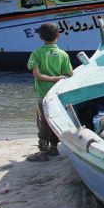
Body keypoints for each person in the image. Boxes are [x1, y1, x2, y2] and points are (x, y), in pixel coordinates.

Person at [26, 23, 73, 162]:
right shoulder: (63, 54)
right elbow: (70, 74)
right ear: (58, 36)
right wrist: (59, 78)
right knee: (54, 121)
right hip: (56, 97)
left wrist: (51, 78)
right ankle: (54, 147)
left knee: (43, 123)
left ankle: (42, 152)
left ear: (40, 37)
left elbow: (37, 75)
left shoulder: (36, 54)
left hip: (42, 96)